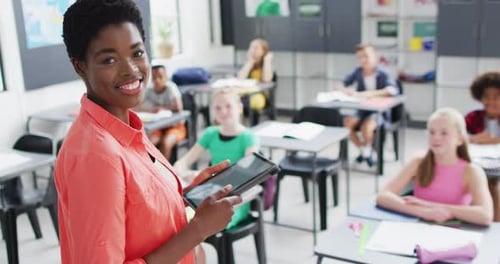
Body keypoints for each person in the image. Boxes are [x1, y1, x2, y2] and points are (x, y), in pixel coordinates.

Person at [56, 1, 241, 263]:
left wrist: (189, 195)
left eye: (137, 54)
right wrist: (199, 229)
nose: (130, 69)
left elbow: (138, 212)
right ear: (80, 66)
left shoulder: (126, 126)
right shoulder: (96, 156)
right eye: (109, 59)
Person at [376, 108, 493, 226]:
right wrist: (422, 211)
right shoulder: (418, 162)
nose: (436, 138)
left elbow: (486, 215)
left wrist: (434, 206)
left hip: (453, 231)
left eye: (444, 133)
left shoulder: (471, 171)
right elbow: (383, 196)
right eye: (431, 132)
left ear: (460, 139)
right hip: (418, 227)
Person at [174, 89, 259, 229]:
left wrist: (199, 175)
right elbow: (185, 160)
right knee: (177, 218)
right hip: (209, 193)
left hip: (233, 201)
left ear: (239, 108)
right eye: (217, 108)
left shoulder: (248, 137)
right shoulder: (210, 133)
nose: (223, 111)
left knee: (191, 224)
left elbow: (246, 175)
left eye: (228, 106)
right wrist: (180, 170)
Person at [338, 43, 399, 167]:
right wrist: (346, 90)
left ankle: (367, 151)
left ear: (374, 56)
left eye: (366, 56)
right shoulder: (358, 71)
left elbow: (392, 90)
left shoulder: (383, 72)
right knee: (347, 124)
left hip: (378, 112)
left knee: (367, 127)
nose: (363, 60)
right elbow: (341, 84)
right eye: (360, 57)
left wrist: (369, 94)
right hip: (362, 110)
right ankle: (365, 151)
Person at [465, 71, 500, 221]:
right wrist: (475, 138)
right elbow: (457, 137)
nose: (491, 101)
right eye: (486, 96)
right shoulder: (473, 117)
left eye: (497, 96)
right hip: (478, 164)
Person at [136, 64, 186, 161]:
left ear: (166, 77)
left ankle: (163, 173)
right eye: (154, 78)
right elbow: (136, 107)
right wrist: (151, 109)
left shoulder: (171, 87)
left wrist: (161, 108)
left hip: (176, 126)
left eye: (160, 77)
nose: (157, 80)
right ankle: (150, 169)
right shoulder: (149, 90)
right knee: (149, 143)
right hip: (158, 127)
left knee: (166, 142)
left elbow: (178, 108)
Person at [238, 38, 274, 125]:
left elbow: (267, 79)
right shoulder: (249, 64)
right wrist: (250, 62)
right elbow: (240, 78)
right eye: (251, 47)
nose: (253, 50)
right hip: (246, 94)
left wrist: (267, 61)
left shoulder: (266, 64)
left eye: (256, 48)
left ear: (264, 51)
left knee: (253, 102)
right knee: (233, 100)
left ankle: (253, 126)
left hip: (260, 95)